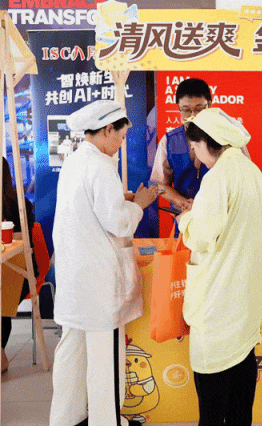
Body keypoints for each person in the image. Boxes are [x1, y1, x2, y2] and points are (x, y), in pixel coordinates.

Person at [49, 100, 158, 426]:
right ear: (108, 129)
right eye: (121, 137)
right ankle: (106, 421)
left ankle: (66, 419)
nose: (121, 144)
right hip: (97, 283)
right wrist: (139, 204)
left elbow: (89, 206)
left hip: (75, 279)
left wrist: (121, 198)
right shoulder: (100, 166)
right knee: (105, 358)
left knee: (72, 353)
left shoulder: (76, 160)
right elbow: (119, 223)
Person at [175, 108, 262, 426]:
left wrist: (185, 220)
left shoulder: (216, 178)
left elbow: (201, 237)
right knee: (241, 403)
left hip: (217, 300)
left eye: (195, 147)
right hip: (244, 298)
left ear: (208, 142)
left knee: (212, 408)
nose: (196, 155)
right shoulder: (252, 171)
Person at [150, 78, 213, 211]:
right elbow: (160, 186)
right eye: (186, 110)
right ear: (178, 108)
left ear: (210, 105)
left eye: (199, 109)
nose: (193, 115)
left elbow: (242, 178)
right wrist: (183, 203)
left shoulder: (226, 138)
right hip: (183, 215)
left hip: (220, 216)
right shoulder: (168, 141)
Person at [1, 156, 38, 373]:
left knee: (2, 296)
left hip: (18, 269)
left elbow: (20, 241)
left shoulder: (17, 203)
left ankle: (1, 354)